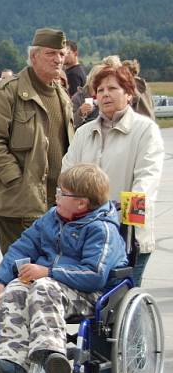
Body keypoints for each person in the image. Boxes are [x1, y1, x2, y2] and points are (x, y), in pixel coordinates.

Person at [0, 164, 128, 373]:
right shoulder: (51, 219)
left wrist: (49, 272)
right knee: (16, 288)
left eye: (62, 193)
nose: (56, 196)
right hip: (50, 286)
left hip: (90, 294)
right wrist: (2, 281)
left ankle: (51, 359)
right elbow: (21, 248)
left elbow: (94, 275)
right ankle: (11, 364)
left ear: (81, 202)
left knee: (43, 287)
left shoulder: (101, 230)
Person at [62, 65, 164, 286]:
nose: (105, 94)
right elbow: (67, 176)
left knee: (120, 302)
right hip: (85, 236)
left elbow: (146, 181)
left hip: (127, 237)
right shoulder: (84, 133)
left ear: (128, 93)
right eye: (100, 90)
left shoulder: (145, 130)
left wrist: (119, 220)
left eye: (113, 88)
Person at [0, 28, 75, 254]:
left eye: (61, 53)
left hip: (56, 206)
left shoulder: (62, 96)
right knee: (20, 278)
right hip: (17, 207)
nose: (58, 59)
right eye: (51, 53)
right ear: (33, 57)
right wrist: (15, 179)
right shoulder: (9, 92)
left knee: (49, 279)